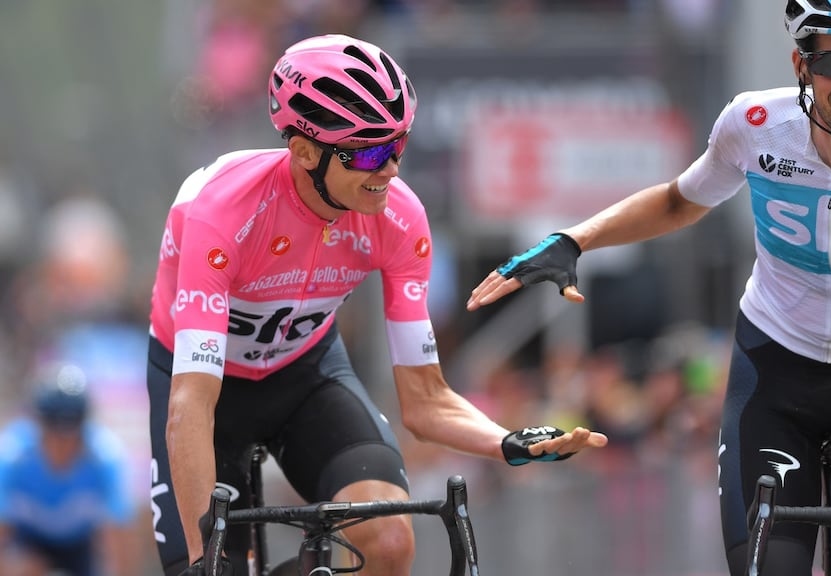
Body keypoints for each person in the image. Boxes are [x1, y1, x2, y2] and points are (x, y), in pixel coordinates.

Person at [466, 1, 831, 574]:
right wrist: (574, 239)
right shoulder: (755, 125)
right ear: (801, 65)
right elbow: (679, 200)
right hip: (775, 382)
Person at [147, 33, 607, 576]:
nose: (390, 168)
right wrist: (205, 557)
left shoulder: (399, 218)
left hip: (305, 378)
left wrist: (506, 441)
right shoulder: (221, 213)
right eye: (369, 151)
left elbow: (424, 400)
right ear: (305, 152)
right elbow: (192, 404)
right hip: (207, 395)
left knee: (388, 541)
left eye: (399, 145)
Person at [0, 364, 136, 576]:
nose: (62, 443)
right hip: (26, 544)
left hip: (79, 548)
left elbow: (119, 539)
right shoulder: (11, 457)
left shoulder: (104, 458)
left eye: (70, 431)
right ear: (38, 424)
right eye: (53, 429)